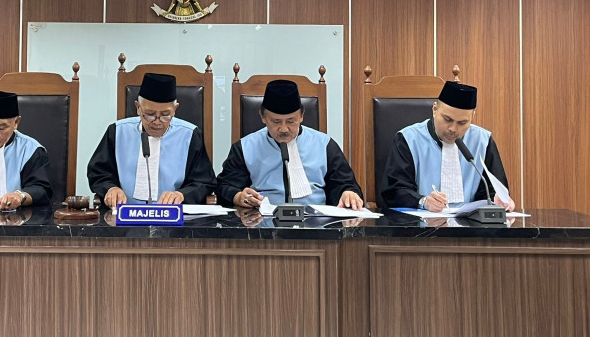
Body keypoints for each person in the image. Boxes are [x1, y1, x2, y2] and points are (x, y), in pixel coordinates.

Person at [216, 79, 364, 210]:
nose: (284, 129)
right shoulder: (245, 147)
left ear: (301, 116)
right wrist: (238, 197)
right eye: (275, 121)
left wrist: (348, 193)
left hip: (316, 222)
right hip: (262, 221)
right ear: (263, 117)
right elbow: (225, 186)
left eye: (291, 121)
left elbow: (345, 183)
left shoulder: (324, 144)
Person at [379, 81, 516, 212]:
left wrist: (498, 201)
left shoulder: (483, 141)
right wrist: (423, 201)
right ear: (435, 109)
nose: (453, 129)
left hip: (472, 224)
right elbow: (395, 190)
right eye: (447, 119)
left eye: (462, 123)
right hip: (420, 225)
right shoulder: (409, 139)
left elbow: (493, 190)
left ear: (472, 117)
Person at [87, 73, 216, 207]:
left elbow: (204, 182)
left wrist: (181, 195)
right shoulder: (117, 131)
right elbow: (98, 173)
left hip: (173, 215)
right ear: (138, 108)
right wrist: (111, 188)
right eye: (150, 114)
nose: (157, 122)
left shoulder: (190, 135)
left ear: (175, 109)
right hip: (123, 213)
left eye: (165, 115)